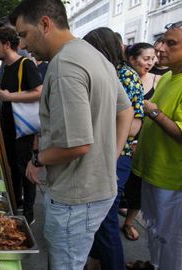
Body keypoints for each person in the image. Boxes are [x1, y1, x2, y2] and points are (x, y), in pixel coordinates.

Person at [9, 0, 134, 269]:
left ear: (45, 23)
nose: (22, 45)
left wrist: (37, 160)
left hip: (74, 197)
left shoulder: (65, 65)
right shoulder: (94, 54)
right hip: (95, 190)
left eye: (23, 35)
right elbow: (126, 111)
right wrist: (109, 158)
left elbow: (77, 145)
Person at [83, 27, 144, 270]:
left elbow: (133, 126)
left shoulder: (125, 75)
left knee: (107, 219)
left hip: (117, 158)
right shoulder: (105, 73)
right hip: (101, 156)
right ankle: (96, 263)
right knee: (98, 218)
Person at [0, 26, 43, 225]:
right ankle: (16, 205)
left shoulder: (26, 64)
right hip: (7, 125)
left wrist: (9, 96)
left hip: (22, 128)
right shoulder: (6, 66)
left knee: (24, 169)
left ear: (7, 44)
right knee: (11, 167)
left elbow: (40, 91)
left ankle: (29, 215)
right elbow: (4, 93)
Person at [131, 20, 182, 270]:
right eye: (162, 40)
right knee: (155, 230)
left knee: (171, 240)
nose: (160, 48)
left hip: (172, 179)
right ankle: (154, 264)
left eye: (170, 43)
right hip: (152, 171)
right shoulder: (170, 77)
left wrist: (153, 113)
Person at [120, 42, 161, 242]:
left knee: (137, 188)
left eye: (153, 59)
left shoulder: (159, 79)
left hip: (143, 140)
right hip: (127, 141)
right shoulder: (126, 76)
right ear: (132, 58)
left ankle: (128, 223)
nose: (151, 63)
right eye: (146, 58)